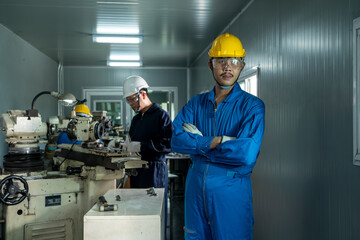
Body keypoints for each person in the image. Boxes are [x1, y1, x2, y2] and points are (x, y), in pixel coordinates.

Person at [171, 33, 265, 240]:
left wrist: (198, 146)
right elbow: (176, 140)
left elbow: (246, 154)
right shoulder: (196, 103)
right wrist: (220, 140)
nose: (227, 67)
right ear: (210, 65)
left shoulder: (252, 106)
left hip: (231, 191)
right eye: (220, 61)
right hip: (195, 189)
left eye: (234, 61)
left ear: (242, 65)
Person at [122, 75, 173, 237]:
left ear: (142, 94)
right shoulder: (137, 120)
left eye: (132, 100)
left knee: (154, 215)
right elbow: (132, 142)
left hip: (154, 171)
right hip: (137, 171)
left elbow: (168, 144)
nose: (131, 104)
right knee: (139, 216)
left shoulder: (161, 116)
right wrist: (124, 147)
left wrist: (141, 146)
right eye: (128, 101)